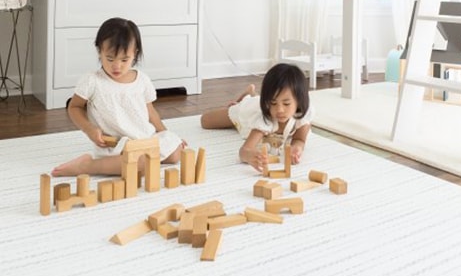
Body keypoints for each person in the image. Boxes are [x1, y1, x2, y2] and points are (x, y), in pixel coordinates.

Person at [51, 17, 185, 177]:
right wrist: (89, 129)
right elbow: (74, 107)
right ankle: (88, 165)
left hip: (144, 138)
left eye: (124, 59)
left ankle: (132, 161)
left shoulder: (142, 80)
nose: (117, 66)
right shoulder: (93, 81)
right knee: (140, 162)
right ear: (99, 51)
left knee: (176, 153)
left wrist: (167, 135)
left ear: (134, 54)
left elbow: (151, 113)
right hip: (116, 144)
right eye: (110, 59)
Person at [201, 63, 313, 172]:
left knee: (260, 101)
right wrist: (249, 155)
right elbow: (244, 150)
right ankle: (246, 95)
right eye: (273, 103)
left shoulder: (302, 116)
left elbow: (299, 139)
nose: (279, 110)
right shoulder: (264, 120)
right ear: (267, 101)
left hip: (259, 104)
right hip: (246, 111)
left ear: (299, 102)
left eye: (286, 104)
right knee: (205, 121)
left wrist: (297, 148)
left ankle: (252, 92)